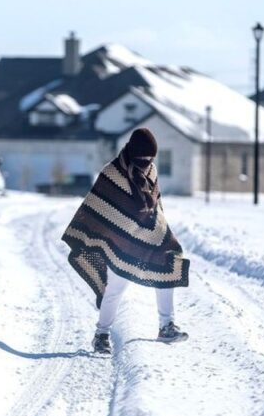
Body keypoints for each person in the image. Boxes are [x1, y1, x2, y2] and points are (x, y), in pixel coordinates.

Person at [62, 128, 190, 355]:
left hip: (150, 237)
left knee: (168, 267)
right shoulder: (112, 172)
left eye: (151, 158)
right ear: (133, 152)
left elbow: (156, 205)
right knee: (115, 289)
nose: (147, 162)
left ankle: (166, 326)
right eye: (143, 158)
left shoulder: (151, 170)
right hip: (120, 242)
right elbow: (98, 206)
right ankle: (101, 335)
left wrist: (159, 229)